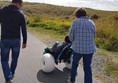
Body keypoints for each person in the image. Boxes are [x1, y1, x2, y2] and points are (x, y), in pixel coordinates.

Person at [0, 0, 27, 83]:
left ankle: (8, 78)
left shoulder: (2, 11)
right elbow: (24, 29)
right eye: (21, 5)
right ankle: (11, 74)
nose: (21, 7)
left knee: (4, 60)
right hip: (16, 40)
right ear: (18, 3)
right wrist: (24, 42)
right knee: (15, 58)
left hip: (4, 39)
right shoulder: (20, 14)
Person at [68, 8, 96, 83]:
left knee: (74, 64)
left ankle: (72, 80)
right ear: (85, 14)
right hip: (89, 49)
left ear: (77, 14)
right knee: (87, 68)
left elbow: (70, 36)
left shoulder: (75, 22)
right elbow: (94, 36)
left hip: (77, 49)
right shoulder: (92, 22)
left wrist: (74, 41)